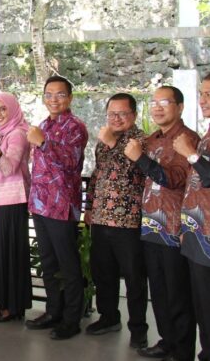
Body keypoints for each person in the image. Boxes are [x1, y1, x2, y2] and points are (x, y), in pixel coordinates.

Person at [125, 85, 198, 360]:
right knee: (158, 289)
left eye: (164, 102)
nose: (157, 107)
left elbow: (174, 179)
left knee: (178, 293)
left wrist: (140, 158)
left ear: (179, 107)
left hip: (174, 227)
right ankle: (167, 340)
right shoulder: (152, 139)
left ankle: (182, 350)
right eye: (154, 102)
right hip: (150, 225)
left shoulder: (187, 139)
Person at [25, 76, 88, 340]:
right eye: (49, 94)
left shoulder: (76, 127)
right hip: (41, 204)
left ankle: (72, 320)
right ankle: (53, 312)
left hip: (62, 206)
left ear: (70, 98)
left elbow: (71, 163)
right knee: (49, 263)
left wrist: (43, 142)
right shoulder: (43, 125)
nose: (54, 99)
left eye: (60, 94)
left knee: (68, 264)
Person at [83, 93, 148, 348]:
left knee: (134, 278)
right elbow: (97, 175)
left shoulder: (141, 140)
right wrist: (89, 207)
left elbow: (134, 171)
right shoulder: (103, 141)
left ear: (134, 115)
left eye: (122, 113)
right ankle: (109, 317)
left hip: (128, 221)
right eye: (112, 114)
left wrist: (112, 143)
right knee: (103, 273)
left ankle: (138, 328)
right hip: (101, 218)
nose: (116, 118)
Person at [0, 92, 32, 322]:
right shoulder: (4, 133)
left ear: (13, 109)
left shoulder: (18, 134)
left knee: (11, 253)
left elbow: (8, 168)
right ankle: (6, 303)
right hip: (2, 200)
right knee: (3, 252)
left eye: (3, 109)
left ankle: (12, 307)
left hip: (13, 200)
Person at [174, 74, 210, 361]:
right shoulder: (207, 134)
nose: (203, 100)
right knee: (201, 305)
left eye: (209, 94)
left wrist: (190, 154)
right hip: (197, 232)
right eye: (202, 93)